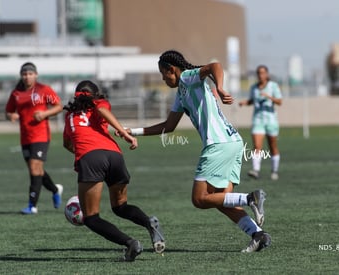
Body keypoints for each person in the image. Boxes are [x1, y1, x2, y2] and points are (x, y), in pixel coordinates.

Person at [118, 50, 271, 253]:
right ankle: (258, 234)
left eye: (164, 74)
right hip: (232, 142)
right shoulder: (181, 93)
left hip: (218, 145)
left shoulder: (188, 78)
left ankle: (251, 198)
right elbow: (169, 126)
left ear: (172, 69)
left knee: (199, 199)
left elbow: (214, 66)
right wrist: (134, 131)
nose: (163, 79)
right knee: (222, 200)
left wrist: (220, 87)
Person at [63, 80, 165, 262]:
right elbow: (102, 110)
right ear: (96, 95)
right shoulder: (100, 103)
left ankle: (130, 243)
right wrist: (125, 134)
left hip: (91, 159)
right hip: (114, 156)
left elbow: (67, 144)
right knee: (120, 206)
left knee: (91, 218)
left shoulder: (70, 116)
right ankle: (149, 222)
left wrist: (82, 154)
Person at [5, 62, 63, 214]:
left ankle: (32, 206)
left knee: (34, 167)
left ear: (36, 75)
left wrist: (44, 114)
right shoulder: (16, 93)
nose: (27, 77)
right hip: (25, 138)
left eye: (30, 74)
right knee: (37, 170)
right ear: (21, 76)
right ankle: (55, 189)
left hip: (41, 135)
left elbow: (58, 106)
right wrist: (11, 115)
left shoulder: (44, 89)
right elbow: (8, 111)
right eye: (24, 74)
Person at [238, 65, 282, 180]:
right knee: (257, 146)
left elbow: (279, 101)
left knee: (273, 146)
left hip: (271, 120)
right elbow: (252, 100)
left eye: (262, 73)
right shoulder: (254, 88)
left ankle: (274, 171)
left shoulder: (273, 86)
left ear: (267, 74)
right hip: (258, 119)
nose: (260, 75)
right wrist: (245, 102)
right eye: (258, 73)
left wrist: (269, 97)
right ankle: (256, 170)